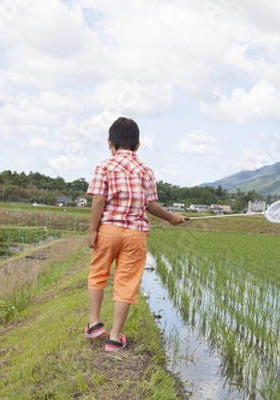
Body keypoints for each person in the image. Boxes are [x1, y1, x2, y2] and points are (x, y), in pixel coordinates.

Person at [84, 116, 184, 353]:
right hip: (136, 234)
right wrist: (172, 218)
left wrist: (92, 230)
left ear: (110, 143)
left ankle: (95, 323)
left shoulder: (104, 166)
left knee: (98, 274)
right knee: (126, 283)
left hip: (108, 230)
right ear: (138, 146)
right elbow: (150, 205)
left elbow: (98, 199)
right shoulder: (146, 171)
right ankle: (115, 338)